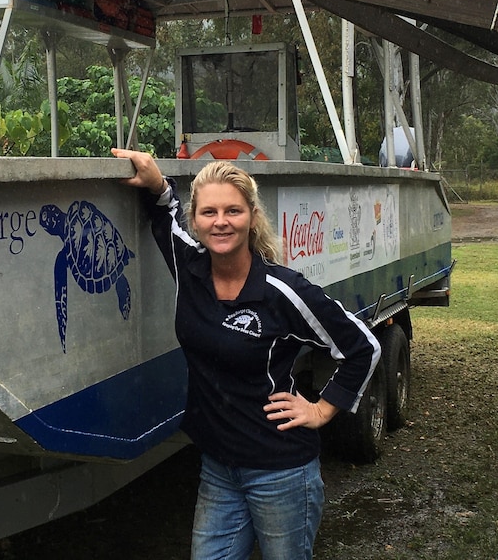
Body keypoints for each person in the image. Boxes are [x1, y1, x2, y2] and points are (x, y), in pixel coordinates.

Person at [111, 148, 381, 560]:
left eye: (233, 211)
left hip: (281, 472)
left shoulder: (282, 291)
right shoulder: (190, 267)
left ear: (252, 217)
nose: (220, 222)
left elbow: (362, 347)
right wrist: (156, 182)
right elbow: (165, 213)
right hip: (218, 466)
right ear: (197, 220)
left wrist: (322, 410)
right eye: (209, 212)